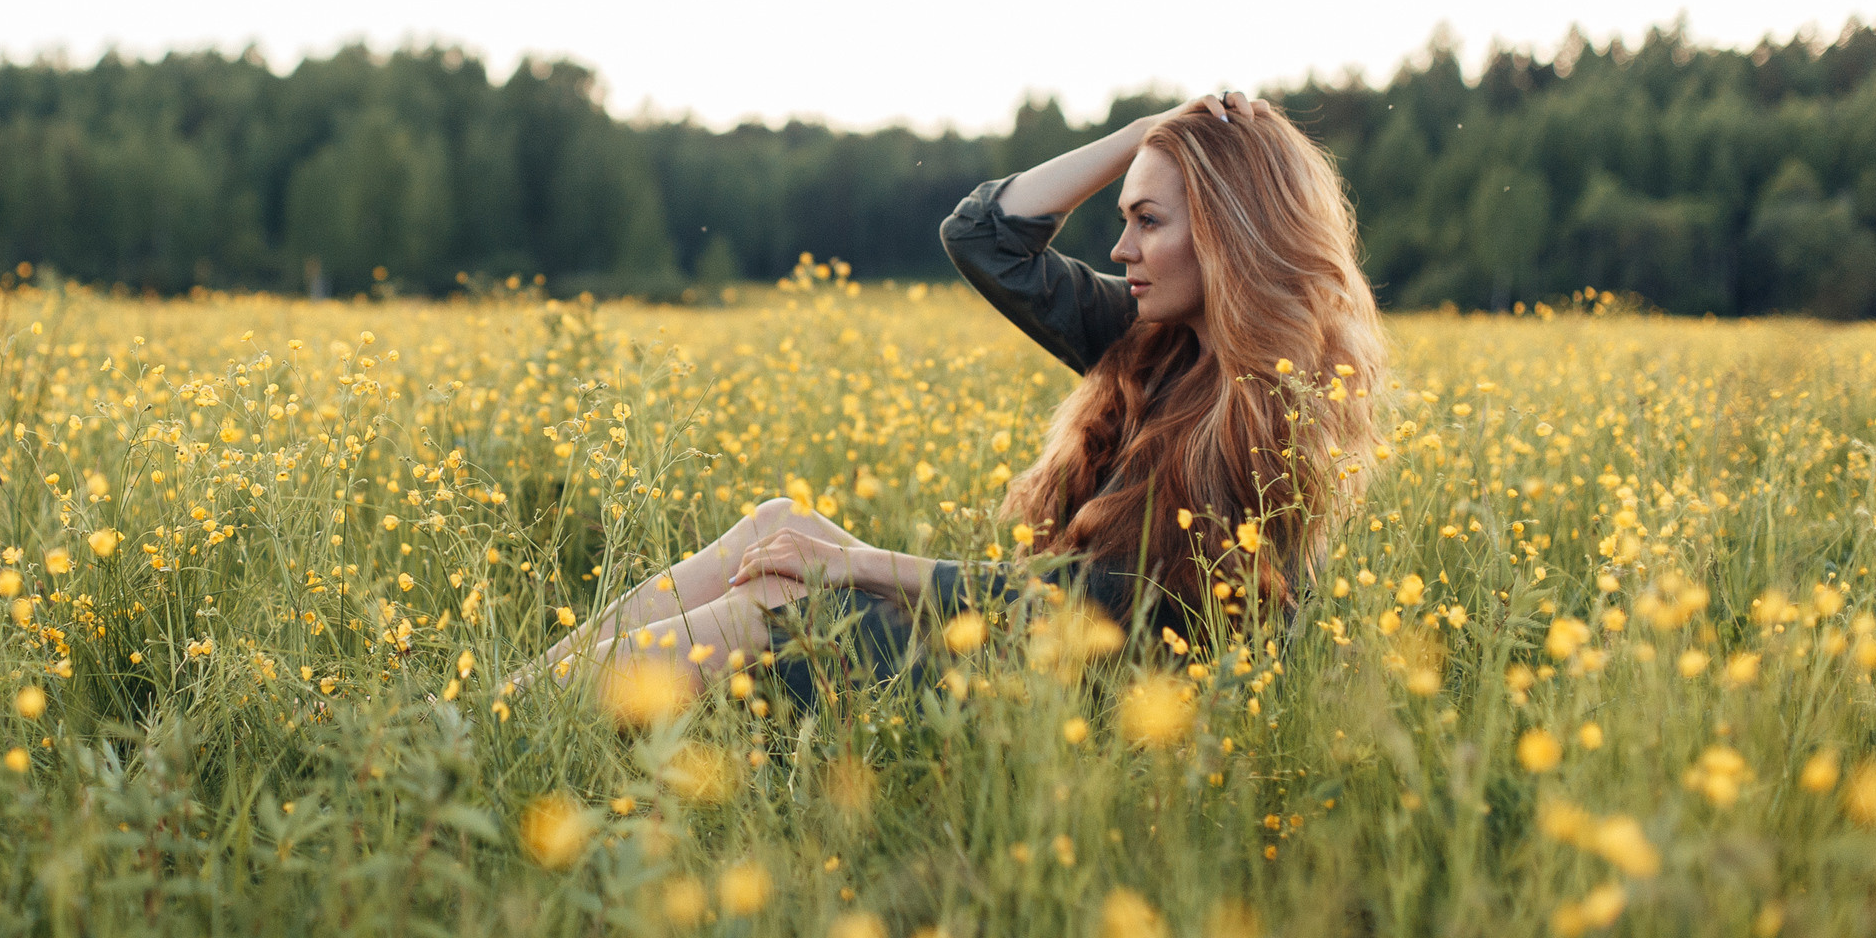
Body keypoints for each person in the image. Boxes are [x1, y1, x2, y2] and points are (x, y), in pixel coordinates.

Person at [530, 89, 1388, 710]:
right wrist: (1146, 133)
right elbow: (985, 235)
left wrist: (859, 562)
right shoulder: (1152, 340)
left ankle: (541, 719)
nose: (1121, 245)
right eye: (1126, 214)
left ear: (1230, 234)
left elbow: (1081, 603)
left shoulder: (1272, 414)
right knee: (775, 522)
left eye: (1150, 220)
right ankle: (520, 697)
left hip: (1082, 705)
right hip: (1028, 653)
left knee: (782, 595)